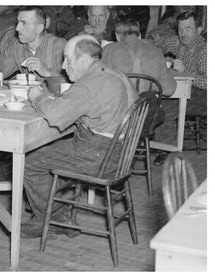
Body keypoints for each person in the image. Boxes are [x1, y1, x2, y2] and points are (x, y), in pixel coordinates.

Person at [21, 34, 138, 238]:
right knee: (51, 152)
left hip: (98, 157)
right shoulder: (113, 73)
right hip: (122, 155)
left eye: (67, 58)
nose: (64, 66)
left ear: (84, 58)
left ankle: (54, 218)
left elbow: (56, 115)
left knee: (29, 160)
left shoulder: (91, 82)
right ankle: (55, 210)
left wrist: (36, 96)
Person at [151, 11, 207, 165]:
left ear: (199, 30)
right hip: (185, 90)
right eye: (180, 29)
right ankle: (158, 143)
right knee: (158, 96)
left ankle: (167, 151)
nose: (183, 33)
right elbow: (159, 41)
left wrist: (185, 72)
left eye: (188, 28)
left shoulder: (205, 50)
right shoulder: (180, 43)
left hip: (203, 97)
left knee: (168, 105)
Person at [0, 6, 67, 86]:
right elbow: (2, 70)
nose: (17, 28)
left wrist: (47, 72)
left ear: (39, 28)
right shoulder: (17, 47)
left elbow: (74, 81)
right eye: (18, 22)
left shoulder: (59, 45)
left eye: (24, 23)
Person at [102, 18, 176, 96]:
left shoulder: (107, 50)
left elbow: (101, 84)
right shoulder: (156, 51)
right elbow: (169, 90)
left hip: (117, 105)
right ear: (139, 35)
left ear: (117, 36)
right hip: (146, 106)